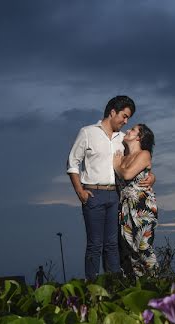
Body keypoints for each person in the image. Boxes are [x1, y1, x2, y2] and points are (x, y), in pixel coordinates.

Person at [67, 96, 155, 280]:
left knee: (113, 244)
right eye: (124, 116)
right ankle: (91, 285)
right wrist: (80, 192)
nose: (126, 121)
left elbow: (139, 159)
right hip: (93, 193)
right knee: (95, 244)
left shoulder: (123, 139)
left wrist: (151, 176)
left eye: (128, 119)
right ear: (112, 112)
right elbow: (73, 163)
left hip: (116, 196)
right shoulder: (87, 132)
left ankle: (114, 285)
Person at [114, 124, 158, 277]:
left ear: (139, 137)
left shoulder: (144, 154)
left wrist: (116, 165)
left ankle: (157, 282)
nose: (128, 130)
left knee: (144, 247)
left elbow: (126, 175)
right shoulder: (123, 157)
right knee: (131, 250)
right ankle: (141, 284)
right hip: (125, 207)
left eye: (132, 130)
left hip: (142, 205)